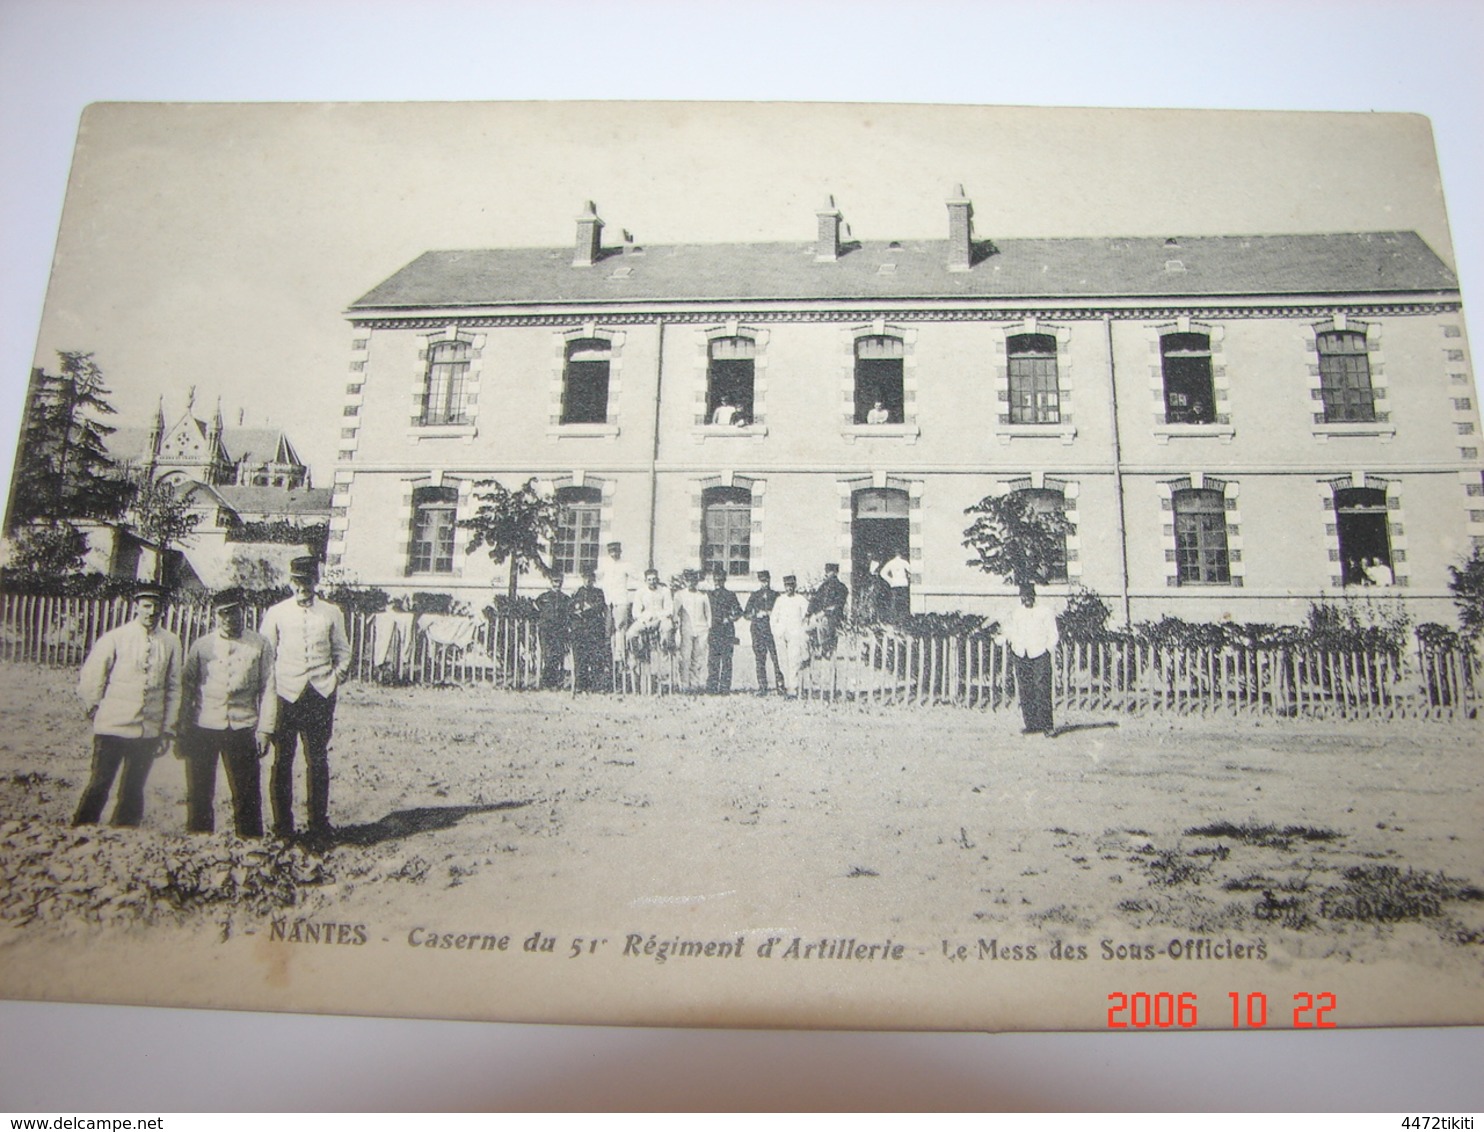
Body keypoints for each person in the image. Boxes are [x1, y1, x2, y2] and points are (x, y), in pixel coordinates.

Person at [72, 583, 182, 828]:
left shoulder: (171, 642)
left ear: (164, 609)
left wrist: (167, 728)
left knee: (133, 786)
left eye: (156, 606)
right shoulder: (116, 638)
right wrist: (94, 707)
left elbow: (174, 687)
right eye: (146, 606)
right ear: (136, 607)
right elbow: (92, 675)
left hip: (147, 728)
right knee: (100, 782)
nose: (151, 611)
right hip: (112, 726)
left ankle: (124, 836)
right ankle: (82, 829)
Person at [259, 555, 351, 840]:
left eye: (308, 580)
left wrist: (334, 679)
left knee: (318, 759)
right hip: (286, 694)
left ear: (316, 581)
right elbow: (266, 656)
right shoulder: (277, 613)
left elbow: (343, 652)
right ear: (290, 581)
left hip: (320, 695)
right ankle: (283, 826)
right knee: (282, 760)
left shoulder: (331, 612)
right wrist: (273, 690)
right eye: (298, 581)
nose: (303, 586)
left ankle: (318, 824)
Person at [179, 590, 276, 836]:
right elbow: (187, 687)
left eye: (234, 611)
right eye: (223, 613)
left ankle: (250, 842)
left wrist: (265, 729)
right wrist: (183, 726)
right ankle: (199, 841)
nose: (229, 618)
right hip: (205, 725)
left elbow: (269, 688)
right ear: (215, 615)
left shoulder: (260, 644)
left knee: (246, 791)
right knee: (199, 789)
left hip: (242, 726)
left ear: (242, 611)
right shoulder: (201, 646)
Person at [1004, 582, 1059, 736]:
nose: (1027, 599)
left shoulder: (1045, 612)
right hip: (1022, 654)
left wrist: (1047, 649)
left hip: (1040, 653)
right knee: (1025, 689)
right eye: (1024, 596)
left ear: (1034, 596)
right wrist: (1014, 646)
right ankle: (1031, 724)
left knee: (1042, 689)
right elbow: (1011, 630)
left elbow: (1053, 633)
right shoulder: (1016, 613)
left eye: (1029, 596)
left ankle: (1047, 726)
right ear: (1020, 597)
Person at [743, 569, 786, 695]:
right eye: (762, 581)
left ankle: (780, 686)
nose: (764, 584)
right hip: (758, 631)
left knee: (777, 659)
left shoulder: (776, 596)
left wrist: (771, 614)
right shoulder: (754, 596)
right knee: (760, 659)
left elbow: (783, 614)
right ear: (759, 581)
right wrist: (757, 614)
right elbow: (746, 614)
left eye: (766, 581)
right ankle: (762, 686)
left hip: (773, 632)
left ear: (769, 580)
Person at [569, 568, 610, 692]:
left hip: (594, 629)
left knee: (595, 657)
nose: (588, 581)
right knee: (580, 658)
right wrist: (579, 610)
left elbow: (600, 606)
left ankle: (596, 685)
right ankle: (581, 685)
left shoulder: (598, 592)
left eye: (590, 579)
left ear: (594, 580)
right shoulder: (577, 592)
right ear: (582, 579)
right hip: (580, 630)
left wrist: (587, 609)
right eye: (585, 578)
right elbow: (572, 608)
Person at [705, 566, 743, 694]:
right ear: (713, 580)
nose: (718, 582)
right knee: (713, 660)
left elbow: (739, 612)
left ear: (724, 580)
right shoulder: (708, 595)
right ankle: (712, 687)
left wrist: (730, 618)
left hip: (727, 631)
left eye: (720, 580)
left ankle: (725, 688)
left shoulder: (730, 595)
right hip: (714, 630)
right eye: (716, 580)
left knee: (727, 660)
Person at [596, 541, 637, 659]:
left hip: (621, 600)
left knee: (620, 627)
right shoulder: (605, 564)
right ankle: (609, 657)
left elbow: (637, 577)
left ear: (620, 551)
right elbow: (598, 578)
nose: (614, 554)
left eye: (616, 551)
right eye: (611, 551)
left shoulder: (626, 564)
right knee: (608, 629)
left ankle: (620, 655)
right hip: (608, 601)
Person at [673, 569, 711, 692]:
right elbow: (675, 613)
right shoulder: (680, 595)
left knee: (698, 657)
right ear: (685, 581)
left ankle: (695, 684)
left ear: (697, 581)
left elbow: (708, 614)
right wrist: (676, 625)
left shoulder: (703, 595)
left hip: (701, 629)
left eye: (693, 580)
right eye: (688, 580)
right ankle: (684, 684)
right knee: (685, 657)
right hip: (686, 629)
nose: (691, 583)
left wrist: (707, 627)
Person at [773, 574, 811, 697]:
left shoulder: (801, 600)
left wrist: (802, 631)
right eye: (787, 585)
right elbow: (774, 618)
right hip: (781, 634)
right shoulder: (780, 600)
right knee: (783, 661)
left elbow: (806, 617)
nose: (789, 588)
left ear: (795, 586)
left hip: (795, 634)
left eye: (791, 585)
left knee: (794, 660)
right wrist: (777, 631)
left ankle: (793, 688)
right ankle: (786, 685)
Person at [627, 567, 674, 662]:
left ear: (657, 579)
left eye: (654, 579)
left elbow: (669, 609)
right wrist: (644, 620)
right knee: (630, 634)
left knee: (668, 628)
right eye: (649, 579)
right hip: (646, 619)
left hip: (661, 618)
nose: (652, 582)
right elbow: (636, 611)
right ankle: (637, 654)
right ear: (645, 580)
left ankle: (664, 650)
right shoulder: (640, 592)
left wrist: (659, 619)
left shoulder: (665, 591)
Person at [535, 572, 572, 690]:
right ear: (551, 582)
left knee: (557, 655)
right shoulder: (544, 597)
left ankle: (554, 682)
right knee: (547, 654)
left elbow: (568, 614)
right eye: (555, 581)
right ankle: (546, 681)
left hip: (559, 631)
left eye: (560, 582)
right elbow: (535, 608)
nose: (558, 584)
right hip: (546, 630)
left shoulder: (565, 598)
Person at [807, 562, 849, 657]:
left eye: (830, 571)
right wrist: (809, 613)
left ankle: (825, 648)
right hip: (821, 615)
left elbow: (838, 605)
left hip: (834, 616)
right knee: (807, 628)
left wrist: (824, 613)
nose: (827, 573)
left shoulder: (841, 587)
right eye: (826, 571)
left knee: (823, 625)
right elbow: (815, 601)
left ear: (836, 572)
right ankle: (815, 648)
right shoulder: (823, 586)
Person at [880, 551, 912, 622]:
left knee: (895, 602)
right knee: (903, 602)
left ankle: (894, 619)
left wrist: (890, 580)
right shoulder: (904, 562)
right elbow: (911, 571)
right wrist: (908, 578)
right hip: (903, 584)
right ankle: (903, 619)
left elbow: (882, 573)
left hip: (895, 584)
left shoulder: (891, 563)